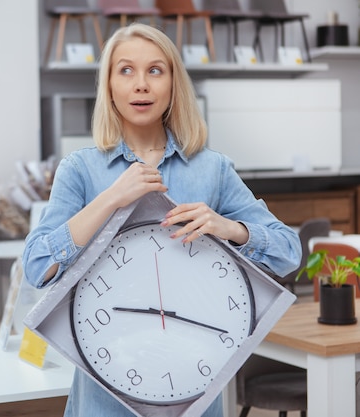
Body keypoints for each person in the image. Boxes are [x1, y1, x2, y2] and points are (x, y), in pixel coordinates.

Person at [22, 23, 301, 417]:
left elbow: (288, 251)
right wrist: (110, 199)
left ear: (173, 84)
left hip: (193, 377)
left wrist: (227, 228)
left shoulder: (211, 169)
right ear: (109, 86)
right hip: (106, 379)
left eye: (155, 70)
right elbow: (37, 266)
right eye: (126, 70)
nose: (141, 85)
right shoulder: (81, 170)